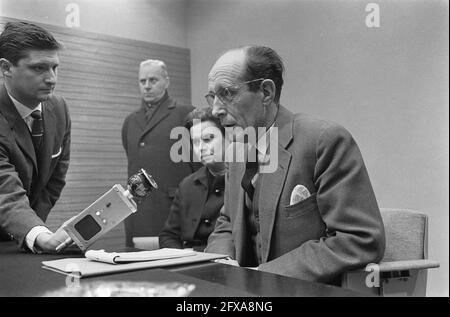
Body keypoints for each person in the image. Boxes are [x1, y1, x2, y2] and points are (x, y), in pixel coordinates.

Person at [205, 45, 385, 284]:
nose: (215, 109)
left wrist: (264, 276)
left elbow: (359, 238)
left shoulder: (323, 140)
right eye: (212, 96)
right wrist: (220, 266)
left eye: (226, 93)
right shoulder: (237, 152)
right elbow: (227, 223)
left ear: (266, 92)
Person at [0, 22, 72, 253]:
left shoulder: (59, 109)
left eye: (54, 68)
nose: (51, 78)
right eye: (39, 68)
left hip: (25, 238)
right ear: (6, 68)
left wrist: (35, 230)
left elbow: (54, 180)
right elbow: (4, 187)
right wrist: (38, 234)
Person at [122, 59, 197, 247]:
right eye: (142, 81)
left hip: (174, 210)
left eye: (153, 80)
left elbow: (199, 167)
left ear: (166, 82)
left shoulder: (186, 114)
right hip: (139, 212)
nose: (147, 86)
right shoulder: (130, 121)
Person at [159, 108, 226, 251]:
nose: (201, 147)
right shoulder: (187, 185)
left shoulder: (244, 181)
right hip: (186, 263)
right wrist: (182, 258)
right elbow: (168, 236)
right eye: (195, 142)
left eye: (208, 139)